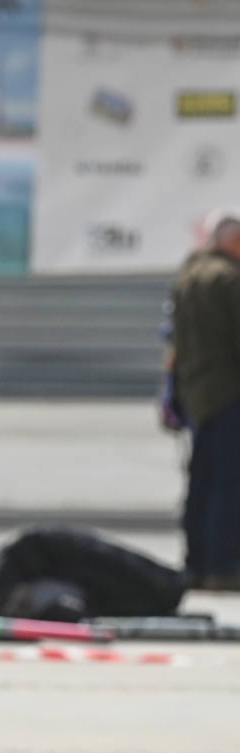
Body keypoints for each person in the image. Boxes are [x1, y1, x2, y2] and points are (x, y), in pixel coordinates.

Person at [169, 208, 240, 592]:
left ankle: (196, 564)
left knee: (201, 483)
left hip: (196, 395)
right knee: (229, 485)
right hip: (229, 393)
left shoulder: (188, 277)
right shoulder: (229, 279)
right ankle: (223, 566)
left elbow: (174, 342)